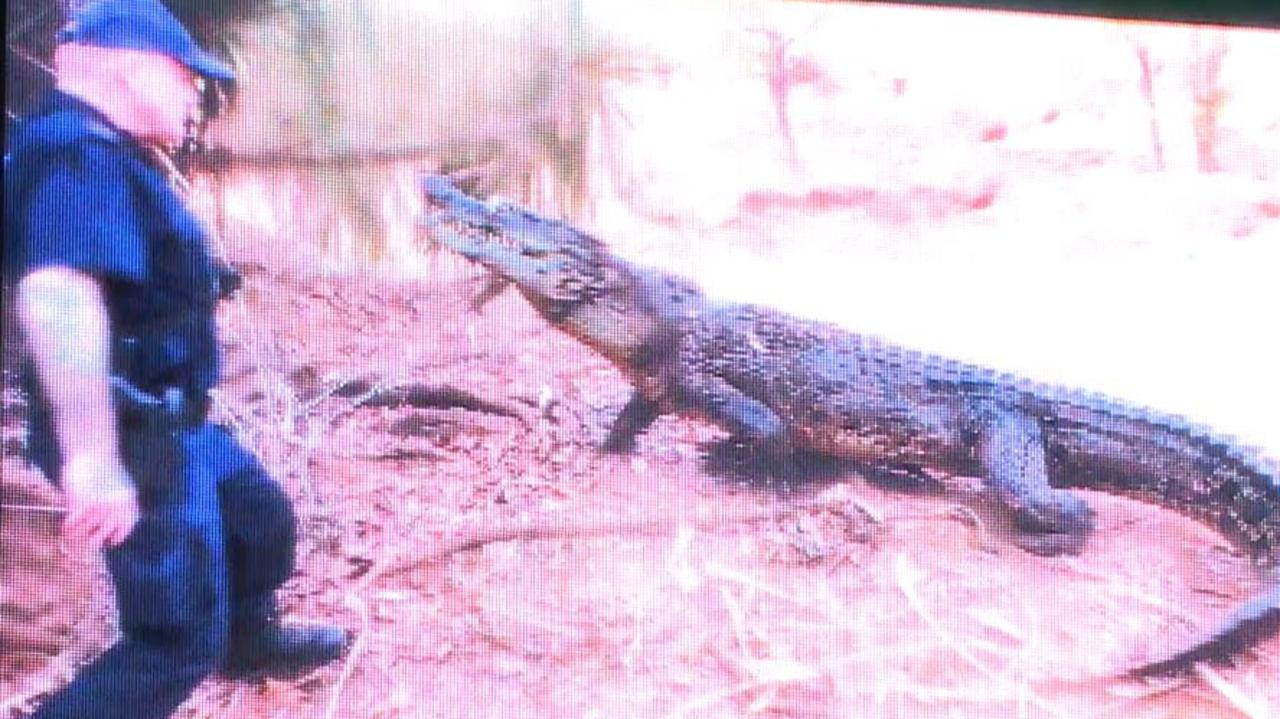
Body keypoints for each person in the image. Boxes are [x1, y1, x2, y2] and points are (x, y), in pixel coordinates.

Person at [3, 1, 349, 716]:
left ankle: (249, 643)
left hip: (169, 416)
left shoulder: (101, 147)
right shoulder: (73, 153)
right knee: (175, 636)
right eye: (186, 78)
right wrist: (92, 458)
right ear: (134, 70)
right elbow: (57, 294)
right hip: (126, 432)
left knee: (261, 521)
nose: (197, 96)